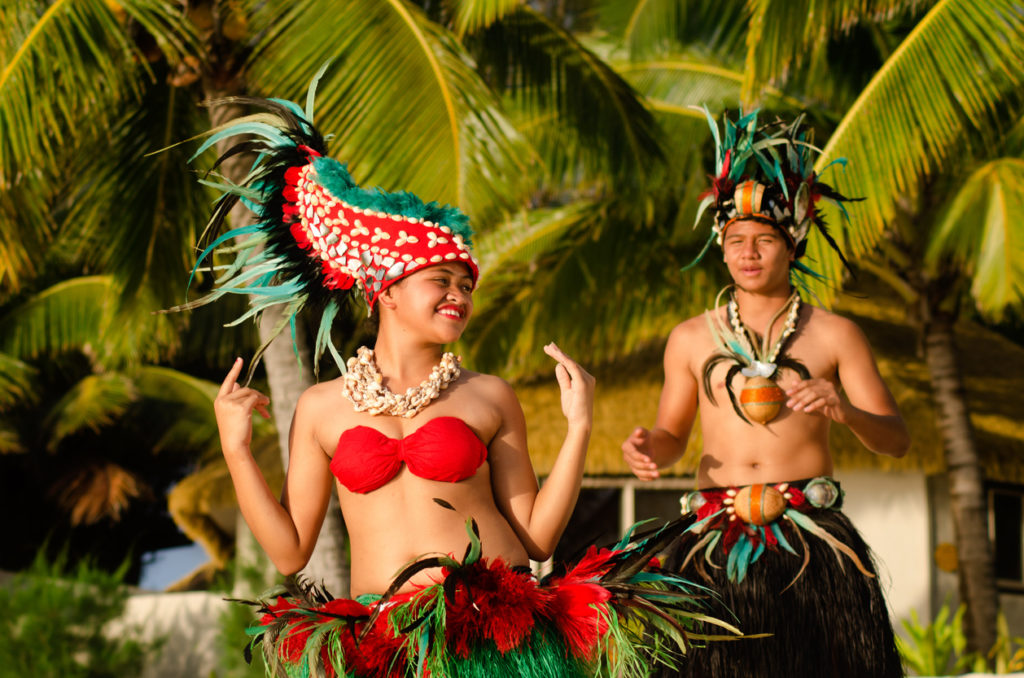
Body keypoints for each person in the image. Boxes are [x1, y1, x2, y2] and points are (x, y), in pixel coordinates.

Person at [174, 71, 731, 678]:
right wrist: (236, 450)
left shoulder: (487, 395)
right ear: (384, 289)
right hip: (384, 639)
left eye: (465, 285)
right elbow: (289, 549)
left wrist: (579, 427)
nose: (458, 296)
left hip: (499, 633)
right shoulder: (320, 407)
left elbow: (538, 539)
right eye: (441, 281)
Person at [621, 109, 910, 677]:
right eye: (735, 241)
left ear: (793, 245)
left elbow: (896, 441)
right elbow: (674, 435)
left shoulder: (835, 334)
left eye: (763, 240)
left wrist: (844, 410)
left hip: (811, 543)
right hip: (713, 539)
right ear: (721, 247)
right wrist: (650, 448)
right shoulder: (689, 338)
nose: (748, 253)